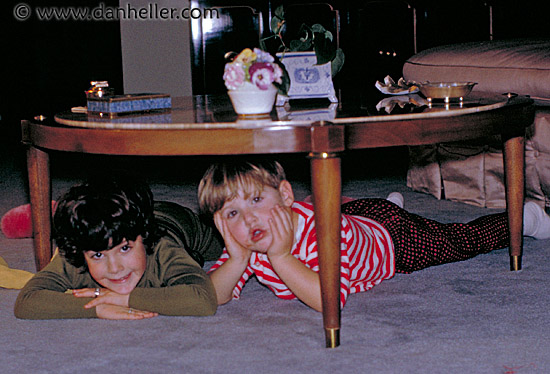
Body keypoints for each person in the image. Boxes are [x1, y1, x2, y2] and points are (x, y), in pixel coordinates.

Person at [198, 160, 550, 312]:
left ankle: (526, 219)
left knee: (458, 241)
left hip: (393, 238)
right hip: (354, 212)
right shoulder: (248, 238)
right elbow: (214, 296)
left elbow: (330, 299)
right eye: (233, 214)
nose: (249, 218)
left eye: (257, 200)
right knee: (342, 206)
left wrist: (281, 257)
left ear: (286, 196)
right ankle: (384, 201)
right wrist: (239, 259)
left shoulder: (322, 237)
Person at [14, 173, 223, 319]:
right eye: (97, 255)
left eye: (124, 249)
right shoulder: (82, 250)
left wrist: (124, 299)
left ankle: (192, 254)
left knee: (236, 245)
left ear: (144, 238)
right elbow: (27, 301)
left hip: (180, 221)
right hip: (125, 226)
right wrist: (98, 307)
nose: (114, 269)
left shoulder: (161, 248)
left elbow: (203, 299)